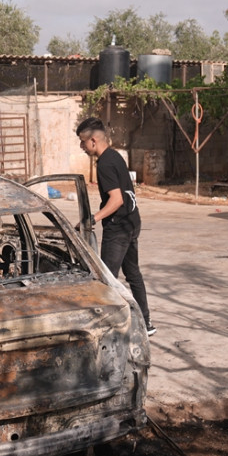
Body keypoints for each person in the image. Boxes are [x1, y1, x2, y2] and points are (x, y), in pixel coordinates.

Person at [75, 117, 155, 335]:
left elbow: (116, 199)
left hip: (119, 228)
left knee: (107, 279)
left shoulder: (105, 164)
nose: (82, 147)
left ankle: (110, 328)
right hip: (132, 222)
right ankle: (145, 324)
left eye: (83, 142)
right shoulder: (116, 156)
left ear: (93, 140)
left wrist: (93, 218)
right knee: (133, 274)